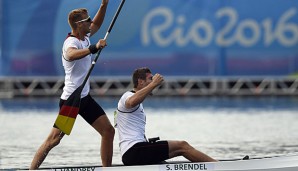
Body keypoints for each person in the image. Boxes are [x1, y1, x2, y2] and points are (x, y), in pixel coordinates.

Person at [30, 0, 115, 169]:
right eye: (87, 20)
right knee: (54, 140)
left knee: (108, 131)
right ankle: (32, 169)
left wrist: (104, 5)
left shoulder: (85, 36)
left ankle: (107, 169)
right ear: (79, 24)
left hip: (85, 98)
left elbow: (97, 23)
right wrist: (94, 48)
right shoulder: (71, 43)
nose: (91, 22)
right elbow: (71, 55)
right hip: (71, 100)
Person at [115, 67, 217, 166]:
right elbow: (131, 102)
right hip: (134, 150)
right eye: (150, 78)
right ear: (140, 81)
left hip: (134, 152)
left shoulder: (137, 102)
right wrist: (154, 84)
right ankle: (218, 167)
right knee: (182, 146)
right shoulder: (127, 96)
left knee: (168, 160)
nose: (153, 80)